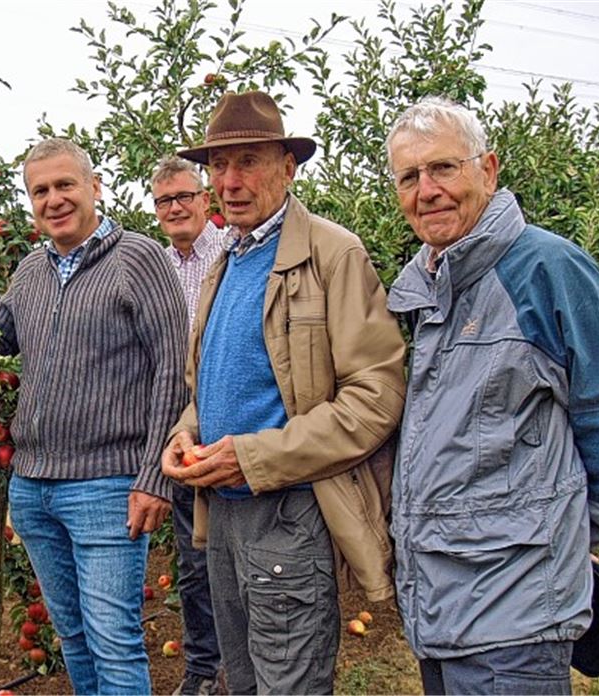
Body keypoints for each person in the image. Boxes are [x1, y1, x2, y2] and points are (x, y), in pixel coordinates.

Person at [384, 96, 599, 695]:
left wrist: (565, 534)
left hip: (515, 613)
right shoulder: (428, 287)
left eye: (443, 168)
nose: (427, 191)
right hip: (440, 607)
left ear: (488, 169)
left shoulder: (546, 270)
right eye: (409, 177)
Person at [161, 90, 406, 695]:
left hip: (287, 514)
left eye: (249, 162)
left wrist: (255, 457)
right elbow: (213, 384)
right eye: (220, 165)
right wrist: (186, 432)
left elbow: (376, 395)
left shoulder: (331, 254)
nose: (230, 181)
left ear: (288, 167)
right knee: (242, 682)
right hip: (222, 514)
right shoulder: (228, 261)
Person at [0, 137, 188, 694]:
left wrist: (154, 478)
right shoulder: (30, 271)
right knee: (73, 636)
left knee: (113, 641)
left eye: (65, 185)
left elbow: (173, 369)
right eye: (40, 191)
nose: (53, 200)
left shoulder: (138, 258)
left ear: (94, 187)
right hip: (33, 487)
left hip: (107, 485)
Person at [150, 155, 229, 695]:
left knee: (244, 555)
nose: (175, 207)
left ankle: (245, 665)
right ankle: (204, 668)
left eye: (184, 196)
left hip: (230, 419)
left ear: (205, 199)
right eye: (164, 201)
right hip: (178, 431)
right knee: (194, 558)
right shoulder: (154, 267)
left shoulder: (232, 252)